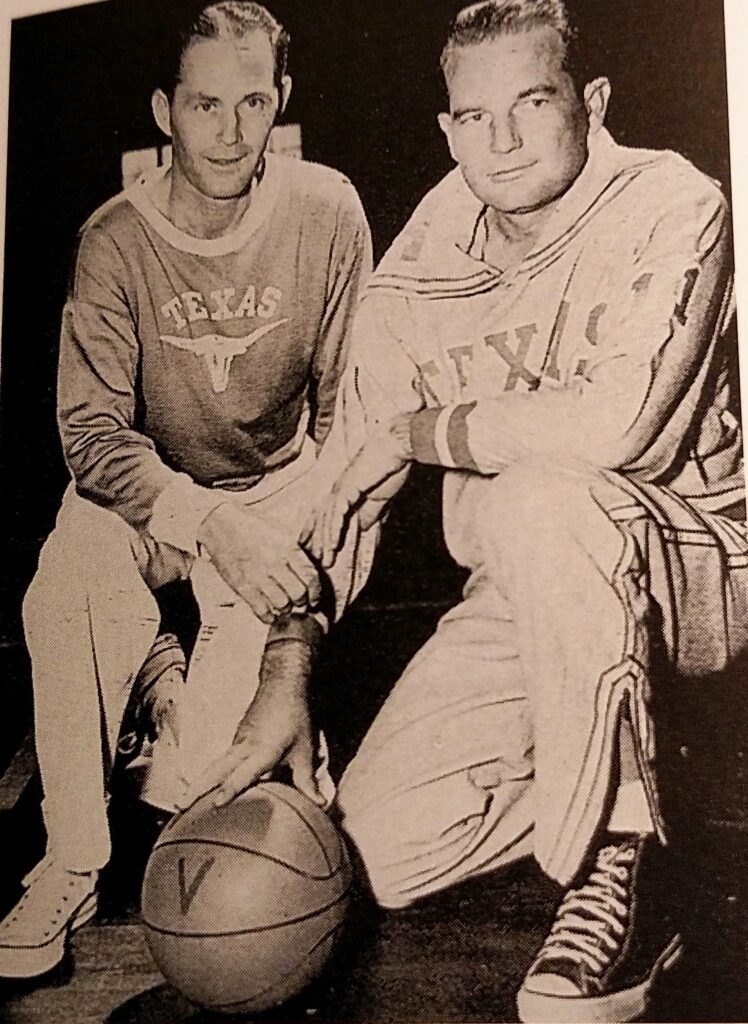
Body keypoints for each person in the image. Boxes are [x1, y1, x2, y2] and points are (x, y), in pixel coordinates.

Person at [188, 1, 746, 1021]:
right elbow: (346, 487)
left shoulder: (672, 200)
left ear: (591, 103)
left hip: (700, 562)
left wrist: (421, 431)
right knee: (370, 851)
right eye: (475, 117)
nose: (503, 141)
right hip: (532, 597)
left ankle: (625, 851)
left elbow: (620, 427)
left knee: (541, 494)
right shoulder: (423, 266)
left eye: (532, 103)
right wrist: (286, 670)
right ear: (447, 130)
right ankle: (645, 777)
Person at [0, 0, 372, 981]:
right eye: (206, 105)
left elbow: (351, 417)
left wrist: (298, 579)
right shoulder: (113, 237)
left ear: (280, 100)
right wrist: (207, 523)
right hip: (154, 501)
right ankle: (71, 858)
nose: (231, 132)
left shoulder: (327, 209)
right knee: (64, 579)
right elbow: (89, 437)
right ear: (165, 110)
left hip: (276, 495)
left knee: (200, 789)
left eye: (253, 103)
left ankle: (167, 686)